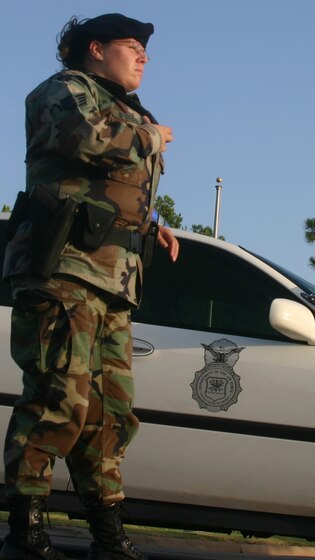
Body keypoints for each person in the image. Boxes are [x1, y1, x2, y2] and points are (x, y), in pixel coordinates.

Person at [1, 13, 178, 560]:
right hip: (64, 273)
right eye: (132, 46)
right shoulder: (64, 91)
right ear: (95, 49)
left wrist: (150, 225)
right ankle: (26, 533)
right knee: (58, 401)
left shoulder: (125, 107)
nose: (143, 57)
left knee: (111, 415)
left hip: (112, 283)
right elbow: (85, 140)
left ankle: (107, 534)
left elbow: (104, 187)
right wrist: (151, 135)